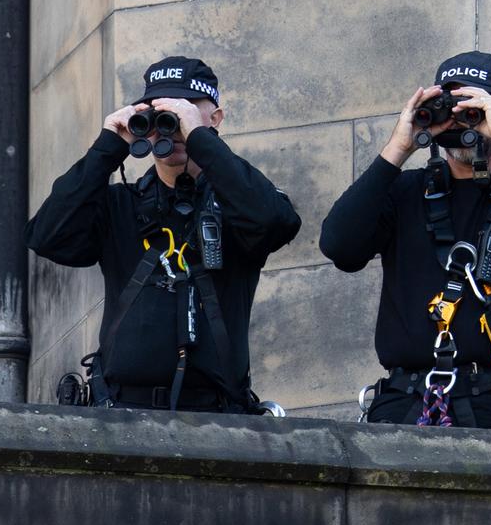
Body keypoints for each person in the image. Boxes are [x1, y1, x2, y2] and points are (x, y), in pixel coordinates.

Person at [319, 51, 491, 430]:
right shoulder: (403, 192)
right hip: (404, 404)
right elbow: (339, 247)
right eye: (451, 105)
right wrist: (400, 146)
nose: (462, 117)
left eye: (474, 106)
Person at [26, 56, 300, 413]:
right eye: (160, 116)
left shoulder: (240, 206)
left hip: (218, 416)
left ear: (215, 118)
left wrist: (200, 138)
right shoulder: (119, 205)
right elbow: (47, 236)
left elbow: (277, 222)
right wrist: (107, 148)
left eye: (184, 110)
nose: (170, 128)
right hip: (121, 412)